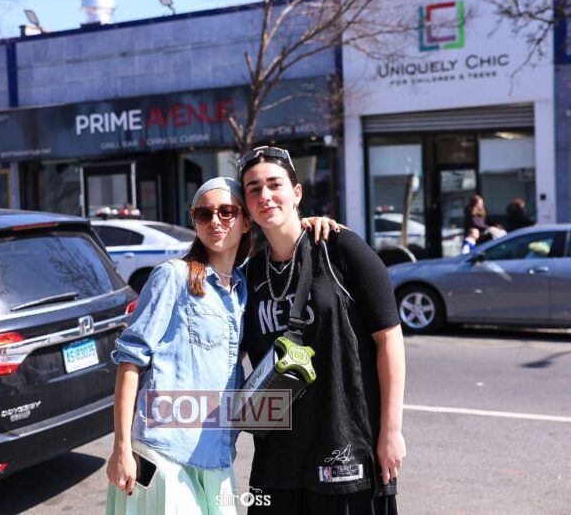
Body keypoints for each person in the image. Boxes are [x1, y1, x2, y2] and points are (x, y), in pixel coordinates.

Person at [105, 177, 338, 515]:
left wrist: (306, 224)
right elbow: (130, 362)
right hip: (164, 450)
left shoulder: (246, 286)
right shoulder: (173, 276)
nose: (215, 220)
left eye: (227, 212)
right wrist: (121, 448)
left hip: (217, 454)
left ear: (246, 222)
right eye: (204, 213)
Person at [238, 146, 407, 515]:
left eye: (274, 185)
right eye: (253, 189)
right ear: (246, 205)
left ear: (296, 192)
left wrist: (391, 432)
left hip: (345, 448)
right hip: (277, 460)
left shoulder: (340, 248)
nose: (265, 195)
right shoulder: (248, 276)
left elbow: (389, 338)